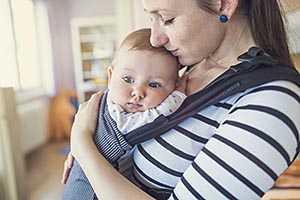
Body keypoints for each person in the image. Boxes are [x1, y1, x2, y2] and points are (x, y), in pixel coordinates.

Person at [62, 0, 300, 199]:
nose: (155, 39)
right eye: (151, 18)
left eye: (167, 19)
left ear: (225, 4)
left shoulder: (274, 101)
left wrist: (83, 146)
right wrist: (99, 136)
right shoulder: (191, 66)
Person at [63, 28, 187, 199]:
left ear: (172, 85)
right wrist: (178, 96)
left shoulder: (106, 100)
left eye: (154, 85)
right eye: (128, 80)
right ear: (110, 76)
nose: (138, 93)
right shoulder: (116, 115)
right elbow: (155, 119)